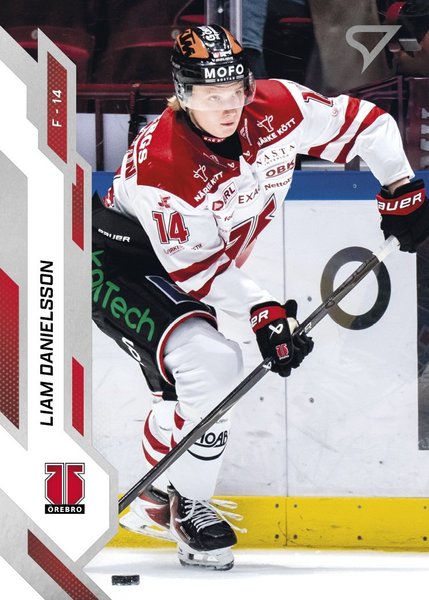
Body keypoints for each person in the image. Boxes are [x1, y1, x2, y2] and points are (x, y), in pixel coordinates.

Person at [92, 24, 429, 570]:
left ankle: (158, 492)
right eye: (211, 96)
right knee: (211, 366)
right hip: (119, 263)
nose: (228, 106)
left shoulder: (278, 106)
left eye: (235, 90)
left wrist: (400, 188)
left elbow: (370, 125)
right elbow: (199, 270)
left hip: (197, 265)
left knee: (186, 393)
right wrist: (264, 313)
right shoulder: (164, 164)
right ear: (182, 95)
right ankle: (188, 504)